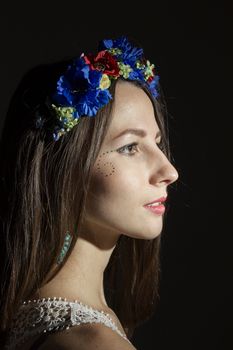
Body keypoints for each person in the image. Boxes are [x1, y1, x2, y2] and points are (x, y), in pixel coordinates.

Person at [0, 36, 179, 349]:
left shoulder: (32, 318)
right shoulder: (93, 341)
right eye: (130, 147)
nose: (169, 172)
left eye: (158, 142)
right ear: (66, 169)